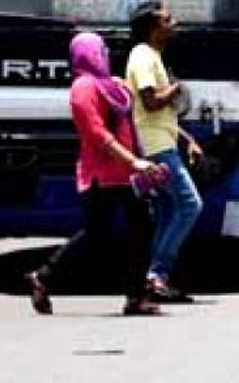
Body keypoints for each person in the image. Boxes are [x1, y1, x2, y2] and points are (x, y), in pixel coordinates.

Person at [26, 31, 160, 316]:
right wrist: (133, 161)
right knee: (96, 234)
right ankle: (45, 276)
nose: (105, 55)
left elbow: (129, 124)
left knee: (142, 227)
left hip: (126, 174)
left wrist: (143, 161)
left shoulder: (111, 85)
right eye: (100, 51)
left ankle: (136, 295)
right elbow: (97, 134)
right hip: (101, 175)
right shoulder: (83, 88)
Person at [127, 0, 204, 303]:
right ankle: (157, 274)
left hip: (162, 141)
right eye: (166, 20)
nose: (172, 25)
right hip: (155, 148)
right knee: (190, 205)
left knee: (168, 211)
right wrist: (177, 88)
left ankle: (154, 278)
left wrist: (188, 140)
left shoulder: (153, 56)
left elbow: (161, 115)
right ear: (151, 27)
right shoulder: (143, 56)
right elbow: (150, 102)